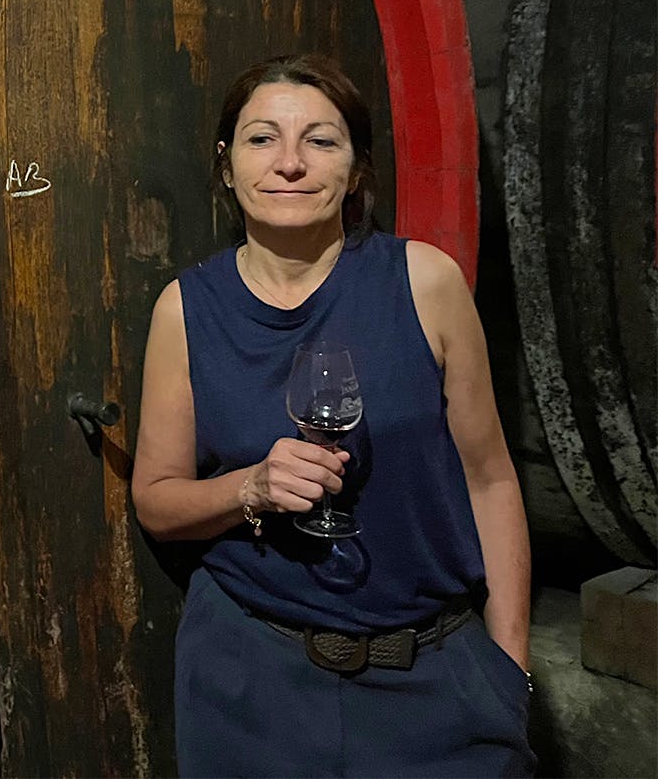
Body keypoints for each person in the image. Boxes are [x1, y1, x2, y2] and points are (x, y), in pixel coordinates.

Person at [131, 54, 533, 776]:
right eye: (262, 139)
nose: (290, 163)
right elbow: (156, 501)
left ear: (356, 169)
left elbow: (491, 481)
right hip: (251, 683)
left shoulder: (424, 281)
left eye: (321, 140)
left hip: (432, 680)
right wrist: (249, 487)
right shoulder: (186, 309)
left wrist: (510, 672)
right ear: (226, 166)